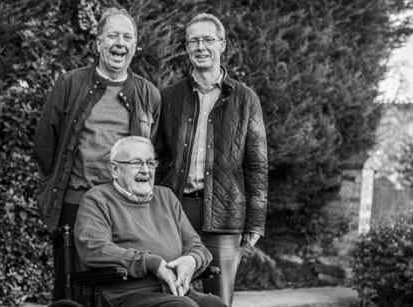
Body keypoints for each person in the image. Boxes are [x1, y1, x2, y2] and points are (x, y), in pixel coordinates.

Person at [33, 8, 160, 302]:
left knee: (121, 285)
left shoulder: (148, 93)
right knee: (71, 287)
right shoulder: (70, 83)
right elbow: (44, 144)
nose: (120, 43)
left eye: (127, 37)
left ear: (135, 45)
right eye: (112, 35)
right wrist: (65, 182)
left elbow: (151, 150)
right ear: (98, 43)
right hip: (75, 204)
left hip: (125, 207)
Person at [155, 13, 268, 306]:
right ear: (187, 47)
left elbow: (256, 165)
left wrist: (255, 223)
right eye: (193, 41)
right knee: (172, 294)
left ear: (222, 44)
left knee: (219, 300)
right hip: (176, 209)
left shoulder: (246, 99)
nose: (200, 46)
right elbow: (155, 156)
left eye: (207, 39)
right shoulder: (169, 97)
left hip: (226, 214)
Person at [74, 136, 226, 307]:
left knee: (214, 304)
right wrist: (152, 263)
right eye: (136, 163)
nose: (146, 170)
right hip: (126, 295)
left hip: (174, 291)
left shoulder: (167, 197)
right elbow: (93, 249)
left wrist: (192, 259)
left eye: (150, 163)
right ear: (115, 169)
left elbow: (197, 246)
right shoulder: (97, 200)